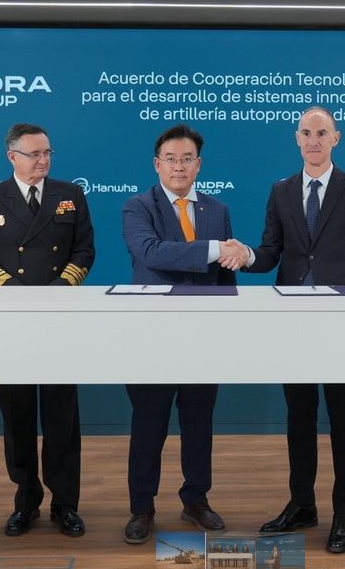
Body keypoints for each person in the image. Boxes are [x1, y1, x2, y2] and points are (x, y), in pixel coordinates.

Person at [240, 106, 345, 554]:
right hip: (294, 325)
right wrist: (246, 256)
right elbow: (271, 252)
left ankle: (344, 514)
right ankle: (302, 504)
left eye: (322, 132)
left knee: (344, 422)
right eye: (306, 132)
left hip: (342, 326)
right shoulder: (281, 191)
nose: (313, 140)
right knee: (299, 418)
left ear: (335, 139)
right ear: (296, 139)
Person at [119, 123, 247, 544]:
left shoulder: (217, 210)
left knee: (199, 423)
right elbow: (152, 253)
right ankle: (141, 506)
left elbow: (226, 277)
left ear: (198, 165)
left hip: (204, 338)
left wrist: (228, 326)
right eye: (171, 159)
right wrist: (215, 249)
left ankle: (196, 499)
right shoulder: (138, 207)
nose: (179, 166)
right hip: (152, 337)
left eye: (187, 159)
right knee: (148, 425)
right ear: (157, 164)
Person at [0, 123, 95, 537]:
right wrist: (13, 292)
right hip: (11, 320)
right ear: (12, 157)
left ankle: (65, 504)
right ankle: (25, 501)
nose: (43, 160)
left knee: (61, 418)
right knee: (17, 415)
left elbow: (84, 250)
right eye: (34, 154)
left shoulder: (70, 195)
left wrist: (61, 287)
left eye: (47, 153)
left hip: (59, 317)